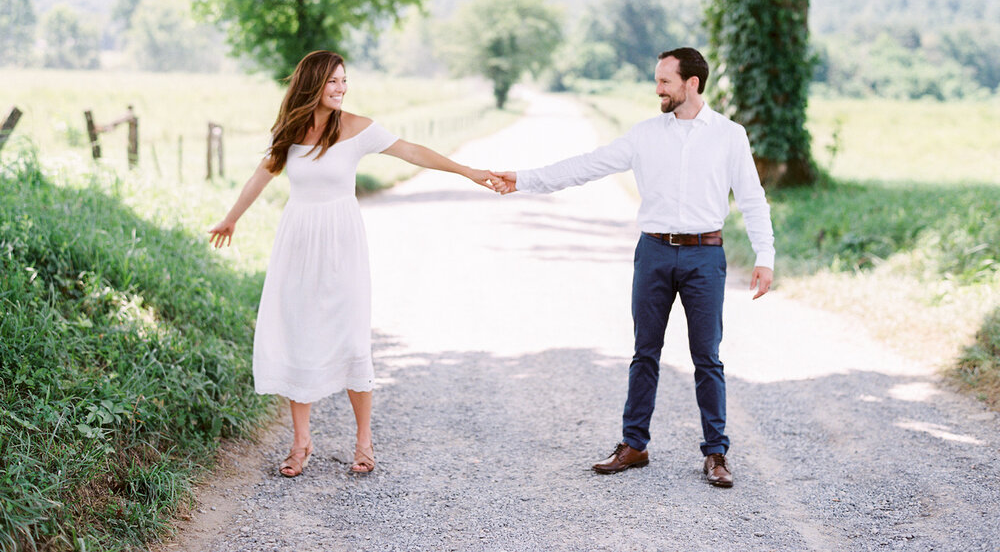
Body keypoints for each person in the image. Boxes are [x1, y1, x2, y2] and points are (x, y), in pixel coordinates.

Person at [491, 47, 774, 488]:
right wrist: (523, 179)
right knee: (645, 353)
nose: (657, 88)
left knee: (707, 357)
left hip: (705, 255)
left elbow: (753, 198)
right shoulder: (645, 135)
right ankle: (634, 445)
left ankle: (716, 454)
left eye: (665, 81)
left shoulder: (729, 135)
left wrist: (765, 257)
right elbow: (586, 166)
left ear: (691, 84)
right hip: (654, 253)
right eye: (657, 80)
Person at [209, 50, 498, 477]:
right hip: (297, 241)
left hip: (342, 242)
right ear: (313, 83)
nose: (341, 89)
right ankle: (301, 441)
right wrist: (231, 218)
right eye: (333, 82)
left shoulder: (358, 128)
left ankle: (363, 440)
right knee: (297, 332)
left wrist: (467, 170)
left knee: (351, 337)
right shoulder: (290, 129)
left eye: (345, 81)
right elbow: (262, 173)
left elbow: (412, 152)